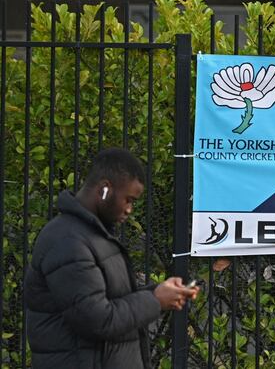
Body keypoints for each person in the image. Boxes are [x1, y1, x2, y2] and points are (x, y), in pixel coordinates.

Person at [23, 148, 199, 368]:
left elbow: (111, 301)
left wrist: (158, 293)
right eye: (128, 200)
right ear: (105, 190)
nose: (129, 210)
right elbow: (97, 320)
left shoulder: (94, 236)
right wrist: (155, 300)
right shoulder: (68, 242)